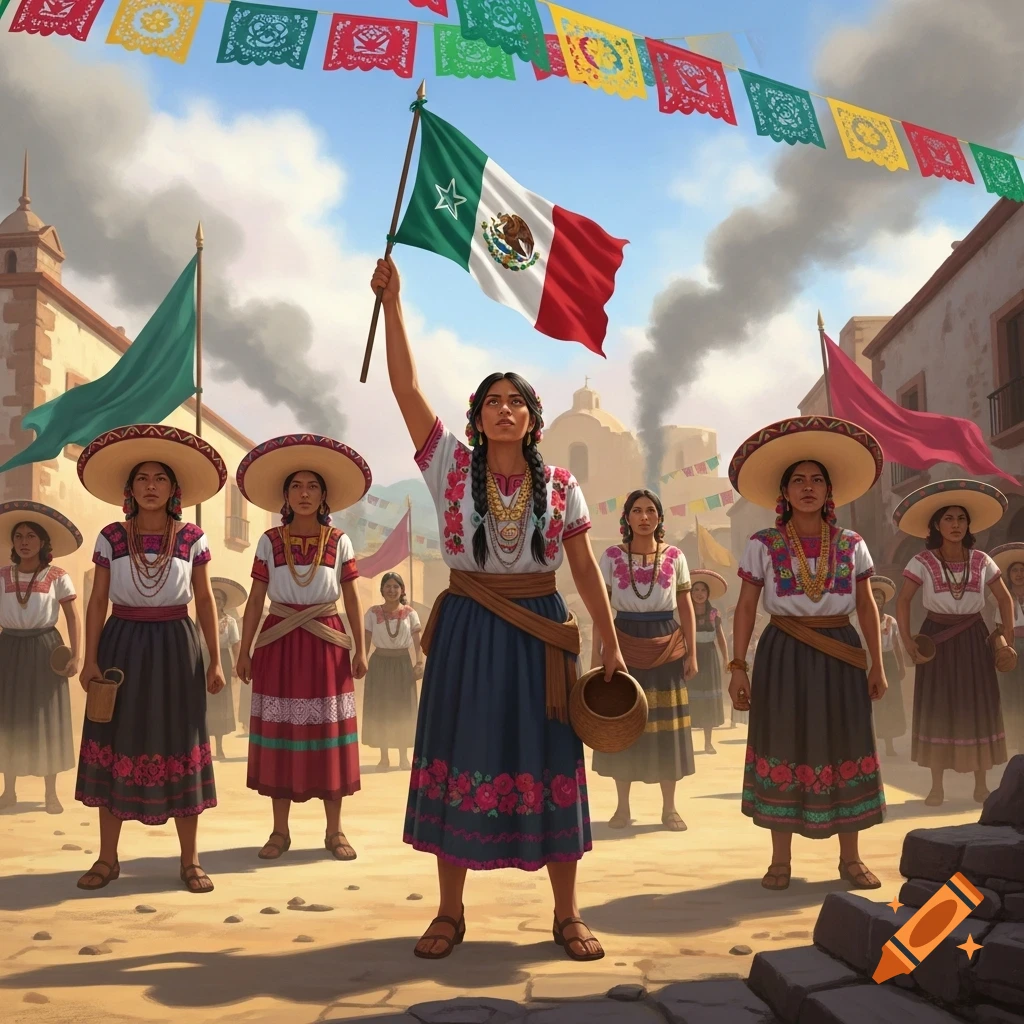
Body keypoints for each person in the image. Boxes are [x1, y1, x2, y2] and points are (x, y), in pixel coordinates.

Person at [372, 257, 626, 963]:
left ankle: (567, 914)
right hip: (467, 632)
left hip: (542, 637)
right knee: (460, 758)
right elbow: (404, 386)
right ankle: (450, 913)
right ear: (477, 420)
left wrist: (607, 639)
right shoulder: (449, 467)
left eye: (517, 401)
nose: (505, 409)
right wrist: (395, 303)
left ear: (534, 420)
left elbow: (580, 565)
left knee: (549, 761)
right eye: (493, 402)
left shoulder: (563, 485)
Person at [728, 416, 888, 891]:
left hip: (841, 653)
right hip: (783, 655)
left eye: (817, 479)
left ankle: (851, 858)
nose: (808, 487)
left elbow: (865, 606)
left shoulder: (852, 544)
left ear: (829, 491)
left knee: (847, 743)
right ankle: (781, 860)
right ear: (784, 492)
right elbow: (745, 607)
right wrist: (738, 666)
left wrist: (877, 663)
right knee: (784, 744)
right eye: (797, 480)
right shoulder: (763, 545)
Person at [74, 425, 227, 893]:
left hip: (177, 646)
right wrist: (90, 659)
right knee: (115, 739)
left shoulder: (193, 538)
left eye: (160, 478)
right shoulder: (111, 537)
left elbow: (204, 601)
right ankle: (107, 859)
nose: (151, 485)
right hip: (122, 645)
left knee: (181, 741)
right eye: (142, 478)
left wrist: (216, 660)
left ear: (173, 489)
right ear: (130, 489)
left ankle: (190, 860)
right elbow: (97, 600)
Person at [235, 434, 369, 862]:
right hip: (278, 642)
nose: (305, 494)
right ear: (286, 496)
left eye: (313, 486)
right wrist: (245, 649)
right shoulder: (269, 542)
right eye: (297, 487)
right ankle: (279, 831)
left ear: (324, 495)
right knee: (282, 734)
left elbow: (351, 598)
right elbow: (256, 598)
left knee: (329, 735)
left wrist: (360, 649)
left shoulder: (340, 541)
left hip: (326, 644)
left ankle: (335, 830)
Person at [894, 481, 1012, 805]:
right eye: (948, 518)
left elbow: (1003, 598)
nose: (956, 524)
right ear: (936, 525)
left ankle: (980, 785)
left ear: (968, 524)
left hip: (975, 638)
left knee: (976, 705)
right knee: (938, 707)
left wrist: (1008, 638)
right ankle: (936, 787)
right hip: (937, 640)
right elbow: (903, 600)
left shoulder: (984, 560)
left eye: (961, 518)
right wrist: (906, 640)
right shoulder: (921, 561)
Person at [590, 489, 697, 831]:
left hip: (667, 643)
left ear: (660, 517)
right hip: (622, 640)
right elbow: (601, 608)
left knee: (668, 729)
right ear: (627, 518)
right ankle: (622, 808)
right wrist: (598, 652)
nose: (644, 516)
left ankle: (669, 809)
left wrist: (692, 652)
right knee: (624, 725)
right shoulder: (610, 557)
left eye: (651, 510)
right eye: (637, 510)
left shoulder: (676, 556)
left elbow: (686, 607)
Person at [0, 502, 83, 814]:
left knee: (48, 718)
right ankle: (8, 791)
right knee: (9, 716)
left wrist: (77, 656)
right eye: (18, 536)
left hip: (47, 650)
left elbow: (74, 618)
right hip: (8, 649)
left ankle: (51, 793)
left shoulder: (58, 575)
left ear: (43, 543)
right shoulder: (1, 575)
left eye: (31, 536)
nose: (24, 541)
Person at [362, 571, 423, 770]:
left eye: (396, 586)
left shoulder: (410, 613)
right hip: (379, 664)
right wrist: (361, 658)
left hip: (403, 664)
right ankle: (384, 757)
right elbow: (367, 639)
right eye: (387, 586)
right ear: (381, 589)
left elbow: (416, 640)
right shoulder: (372, 613)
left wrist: (419, 662)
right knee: (382, 708)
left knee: (403, 708)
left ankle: (403, 757)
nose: (391, 590)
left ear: (402, 590)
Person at [200, 579, 246, 759]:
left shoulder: (230, 622)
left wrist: (236, 664)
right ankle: (205, 748)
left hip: (223, 660)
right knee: (203, 703)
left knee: (220, 702)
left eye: (220, 599)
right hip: (202, 660)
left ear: (224, 603)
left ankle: (219, 747)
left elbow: (235, 644)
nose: (217, 601)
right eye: (214, 597)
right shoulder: (200, 619)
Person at [687, 568, 730, 755]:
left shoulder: (714, 614)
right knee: (689, 699)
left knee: (709, 700)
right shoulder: (684, 611)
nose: (699, 594)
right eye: (695, 590)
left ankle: (708, 743)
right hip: (691, 656)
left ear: (707, 593)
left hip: (710, 656)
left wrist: (726, 659)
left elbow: (720, 638)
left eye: (703, 590)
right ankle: (686, 744)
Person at [866, 577, 907, 757]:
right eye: (874, 597)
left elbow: (897, 645)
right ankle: (870, 746)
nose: (877, 600)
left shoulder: (891, 621)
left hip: (889, 662)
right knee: (873, 703)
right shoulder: (862, 619)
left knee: (890, 702)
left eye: (880, 598)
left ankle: (889, 745)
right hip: (868, 661)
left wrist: (901, 666)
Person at [990, 543, 1024, 754]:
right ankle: (1014, 738)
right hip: (1012, 649)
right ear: (1009, 575)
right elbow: (998, 629)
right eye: (1015, 571)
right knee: (1011, 694)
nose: (1019, 574)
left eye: (1022, 570)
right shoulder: (1002, 600)